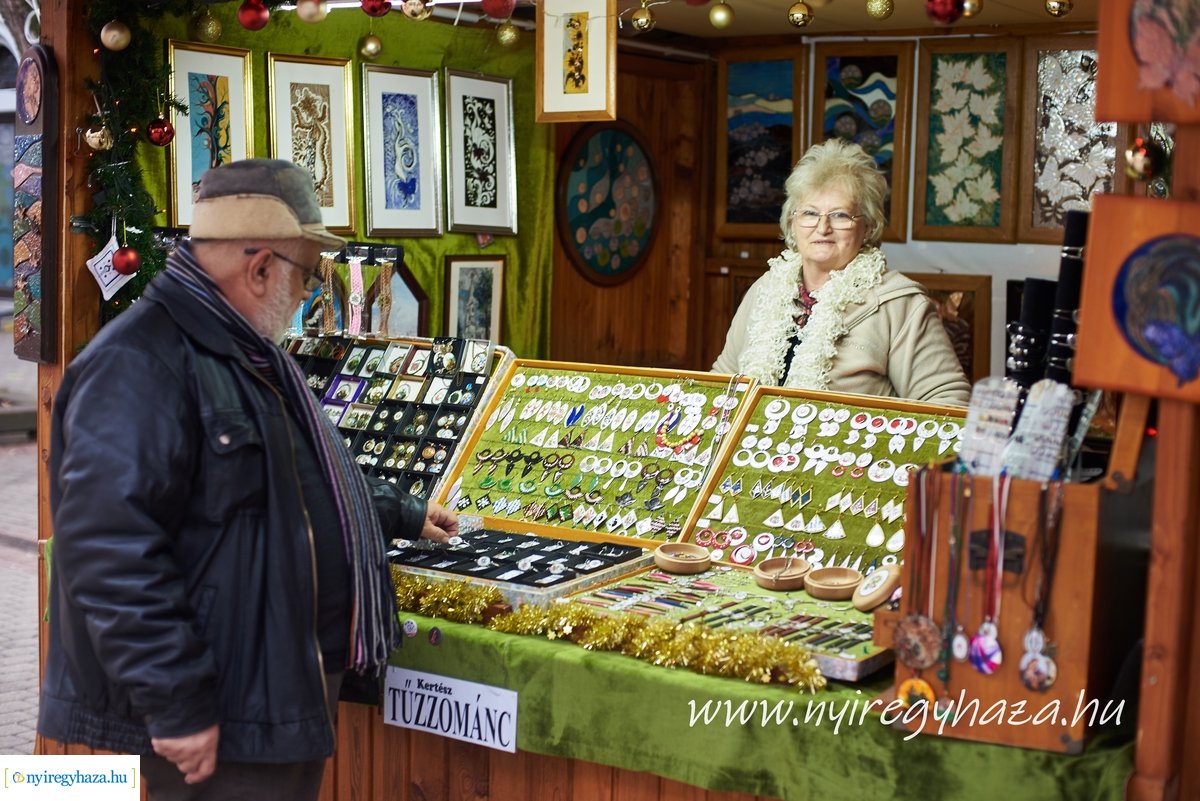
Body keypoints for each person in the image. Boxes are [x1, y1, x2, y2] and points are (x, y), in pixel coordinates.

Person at [38, 159, 459, 800]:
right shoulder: (141, 361)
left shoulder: (244, 351)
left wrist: (398, 510)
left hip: (270, 691)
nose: (308, 293)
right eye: (306, 273)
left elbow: (293, 479)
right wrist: (176, 701)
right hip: (221, 703)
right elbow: (107, 550)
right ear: (260, 267)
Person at [712, 139, 970, 405]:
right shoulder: (765, 289)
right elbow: (722, 382)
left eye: (840, 215)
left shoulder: (900, 305)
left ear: (868, 227)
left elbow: (949, 402)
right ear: (792, 222)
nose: (823, 228)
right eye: (810, 213)